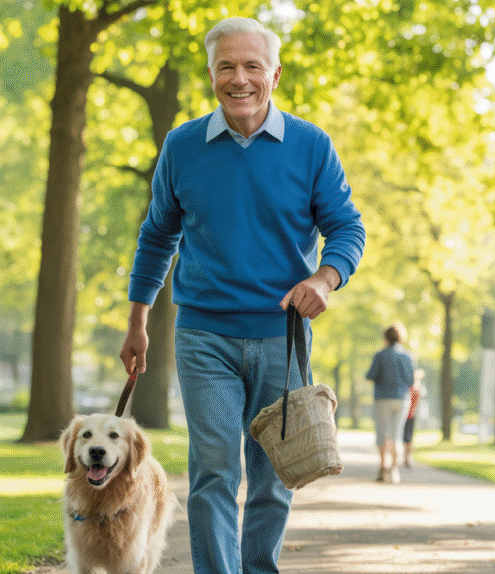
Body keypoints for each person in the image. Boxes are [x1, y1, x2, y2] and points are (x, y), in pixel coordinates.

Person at [119, 16, 365, 574]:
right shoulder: (182, 146)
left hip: (283, 337)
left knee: (275, 475)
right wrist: (138, 322)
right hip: (204, 335)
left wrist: (323, 280)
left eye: (252, 66)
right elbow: (158, 236)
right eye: (226, 66)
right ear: (211, 76)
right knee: (213, 470)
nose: (239, 78)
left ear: (274, 74)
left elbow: (347, 227)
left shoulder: (310, 145)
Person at [366, 323, 415, 483]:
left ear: (386, 337)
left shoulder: (380, 355)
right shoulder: (408, 356)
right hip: (401, 398)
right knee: (396, 434)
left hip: (382, 398)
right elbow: (411, 380)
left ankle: (382, 467)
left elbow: (371, 375)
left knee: (382, 432)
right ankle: (394, 470)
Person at [402, 369, 427, 468]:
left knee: (406, 438)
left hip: (407, 416)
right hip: (410, 416)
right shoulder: (415, 390)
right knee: (408, 438)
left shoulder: (410, 390)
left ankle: (406, 459)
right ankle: (407, 459)